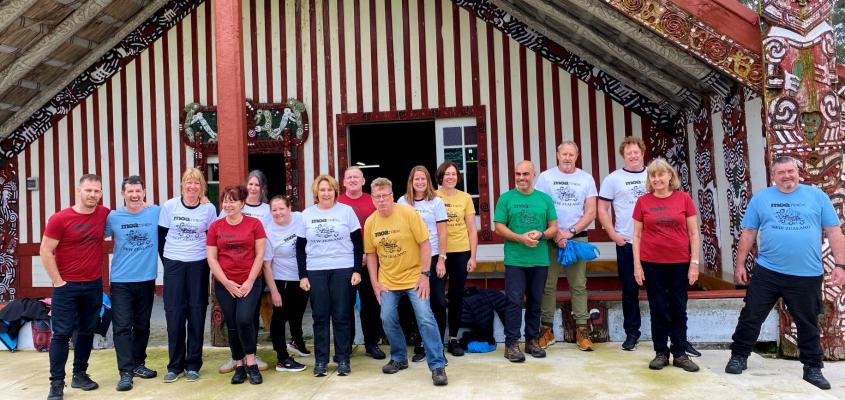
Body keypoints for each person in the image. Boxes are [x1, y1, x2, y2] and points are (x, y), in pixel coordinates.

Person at [724, 156, 845, 390]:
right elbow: (748, 233)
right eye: (781, 172)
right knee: (751, 315)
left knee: (808, 323)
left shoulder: (817, 197)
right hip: (768, 271)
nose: (787, 175)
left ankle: (812, 368)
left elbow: (834, 232)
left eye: (790, 171)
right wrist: (740, 265)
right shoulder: (762, 199)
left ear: (798, 172)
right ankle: (739, 356)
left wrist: (840, 265)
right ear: (774, 175)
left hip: (807, 274)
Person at [365, 177, 448, 386]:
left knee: (425, 318)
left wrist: (425, 275)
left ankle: (437, 365)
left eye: (385, 196)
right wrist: (375, 283)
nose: (382, 200)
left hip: (414, 277)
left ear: (392, 196)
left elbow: (425, 245)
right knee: (387, 317)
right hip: (388, 280)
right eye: (377, 197)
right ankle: (399, 358)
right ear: (372, 199)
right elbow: (371, 255)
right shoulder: (370, 222)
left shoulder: (408, 214)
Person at [41, 174, 109, 400]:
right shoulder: (60, 219)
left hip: (93, 285)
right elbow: (45, 251)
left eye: (97, 191)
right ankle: (56, 383)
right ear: (78, 191)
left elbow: (129, 210)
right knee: (61, 335)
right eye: (88, 190)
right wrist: (59, 282)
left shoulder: (103, 213)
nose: (93, 195)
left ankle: (79, 374)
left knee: (87, 332)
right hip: (66, 287)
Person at [632, 158, 700, 373]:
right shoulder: (643, 201)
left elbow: (693, 233)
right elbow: (636, 235)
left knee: (679, 308)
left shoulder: (684, 198)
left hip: (679, 262)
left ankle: (680, 352)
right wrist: (637, 266)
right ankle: (661, 352)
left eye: (661, 174)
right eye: (653, 175)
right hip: (652, 263)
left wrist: (694, 264)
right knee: (658, 308)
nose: (657, 179)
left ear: (670, 176)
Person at [296, 175, 362, 377]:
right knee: (320, 317)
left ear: (335, 192)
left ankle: (343, 359)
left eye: (330, 189)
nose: (326, 193)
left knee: (342, 315)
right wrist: (303, 275)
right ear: (316, 192)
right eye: (322, 190)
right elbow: (300, 247)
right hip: (316, 270)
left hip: (343, 268)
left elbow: (358, 242)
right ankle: (321, 361)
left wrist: (357, 270)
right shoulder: (306, 215)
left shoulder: (346, 211)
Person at [535, 141, 597, 351]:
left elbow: (590, 212)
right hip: (551, 238)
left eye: (571, 154)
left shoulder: (586, 178)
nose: (568, 158)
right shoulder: (545, 177)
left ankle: (582, 330)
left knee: (578, 284)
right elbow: (540, 208)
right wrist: (555, 235)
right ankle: (546, 329)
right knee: (548, 285)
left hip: (577, 238)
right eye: (564, 154)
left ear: (576, 156)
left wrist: (569, 232)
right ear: (557, 155)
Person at [494, 160, 557, 362]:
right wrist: (520, 238)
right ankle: (511, 343)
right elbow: (499, 227)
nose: (521, 178)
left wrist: (541, 234)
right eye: (518, 174)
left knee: (535, 302)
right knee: (514, 301)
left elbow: (554, 227)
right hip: (515, 260)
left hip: (539, 260)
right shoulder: (506, 199)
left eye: (525, 174)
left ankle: (532, 341)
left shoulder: (545, 199)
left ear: (534, 175)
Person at [158, 168, 217, 383]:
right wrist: (171, 262)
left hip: (198, 265)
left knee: (196, 313)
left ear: (202, 186)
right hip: (174, 264)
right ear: (182, 184)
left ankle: (193, 364)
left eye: (197, 183)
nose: (192, 187)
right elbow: (161, 237)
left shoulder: (209, 209)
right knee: (174, 314)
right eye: (188, 183)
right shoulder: (169, 206)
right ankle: (175, 366)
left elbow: (212, 238)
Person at [207, 185, 267, 385]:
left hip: (250, 281)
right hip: (225, 283)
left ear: (242, 203)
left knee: (244, 319)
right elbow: (212, 259)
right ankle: (239, 363)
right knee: (232, 323)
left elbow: (260, 255)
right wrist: (226, 282)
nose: (228, 204)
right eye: (225, 200)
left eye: (233, 200)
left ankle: (251, 361)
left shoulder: (255, 224)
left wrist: (249, 281)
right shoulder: (216, 226)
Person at [105, 176, 160, 391]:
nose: (135, 195)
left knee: (142, 326)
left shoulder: (154, 212)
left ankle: (138, 364)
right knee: (122, 328)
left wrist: (202, 200)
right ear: (123, 194)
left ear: (144, 193)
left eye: (138, 191)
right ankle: (125, 372)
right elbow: (97, 232)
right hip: (121, 281)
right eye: (130, 192)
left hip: (146, 279)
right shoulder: (113, 217)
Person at [597, 137, 647, 351]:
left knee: (662, 290)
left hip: (653, 242)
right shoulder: (613, 179)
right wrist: (613, 234)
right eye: (629, 153)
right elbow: (602, 209)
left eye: (636, 152)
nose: (633, 156)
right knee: (629, 291)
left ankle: (671, 334)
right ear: (623, 155)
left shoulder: (653, 174)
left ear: (642, 152)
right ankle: (632, 334)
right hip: (626, 241)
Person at [218, 170, 270, 373]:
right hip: (227, 276)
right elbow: (214, 252)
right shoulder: (224, 215)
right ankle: (237, 358)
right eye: (250, 184)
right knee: (234, 318)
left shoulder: (266, 211)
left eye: (257, 185)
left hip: (258, 269)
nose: (253, 188)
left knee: (249, 315)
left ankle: (252, 355)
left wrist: (251, 279)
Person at [397, 166, 448, 362]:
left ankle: (438, 345)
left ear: (428, 181)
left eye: (423, 179)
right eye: (416, 179)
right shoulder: (402, 202)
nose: (419, 182)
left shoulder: (436, 202)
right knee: (416, 303)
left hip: (433, 256)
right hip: (411, 259)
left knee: (437, 301)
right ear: (411, 181)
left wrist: (442, 259)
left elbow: (442, 232)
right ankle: (420, 344)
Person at [337, 166, 384, 359]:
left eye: (356, 177)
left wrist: (367, 253)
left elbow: (380, 228)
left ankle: (371, 343)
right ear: (344, 182)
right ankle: (345, 346)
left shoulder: (372, 201)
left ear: (363, 181)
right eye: (349, 177)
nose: (353, 180)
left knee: (370, 305)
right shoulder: (337, 202)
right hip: (345, 262)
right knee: (344, 305)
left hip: (370, 260)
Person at [434, 161, 478, 356]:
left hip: (461, 252)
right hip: (437, 253)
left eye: (453, 174)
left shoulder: (465, 198)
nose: (450, 177)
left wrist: (473, 256)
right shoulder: (433, 196)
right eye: (446, 174)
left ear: (457, 177)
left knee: (456, 296)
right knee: (436, 298)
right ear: (440, 177)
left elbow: (471, 229)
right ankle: (435, 339)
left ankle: (453, 338)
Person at [262, 195, 308, 373]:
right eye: (274, 210)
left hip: (303, 276)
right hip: (282, 279)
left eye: (282, 208)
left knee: (298, 312)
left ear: (289, 208)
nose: (278, 213)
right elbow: (266, 265)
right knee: (280, 317)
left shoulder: (300, 218)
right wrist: (273, 291)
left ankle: (297, 341)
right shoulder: (268, 231)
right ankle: (282, 357)